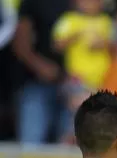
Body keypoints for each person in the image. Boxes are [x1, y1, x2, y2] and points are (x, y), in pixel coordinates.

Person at [12, 0, 72, 144]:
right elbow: (20, 44)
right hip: (37, 84)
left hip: (76, 87)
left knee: (71, 149)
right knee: (31, 144)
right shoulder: (33, 3)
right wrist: (41, 66)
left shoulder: (84, 3)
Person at [52, 0, 113, 111]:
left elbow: (116, 47)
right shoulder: (69, 19)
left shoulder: (106, 21)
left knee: (97, 115)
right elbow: (56, 45)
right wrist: (73, 37)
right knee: (78, 112)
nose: (89, 3)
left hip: (102, 80)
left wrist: (102, 44)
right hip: (77, 78)